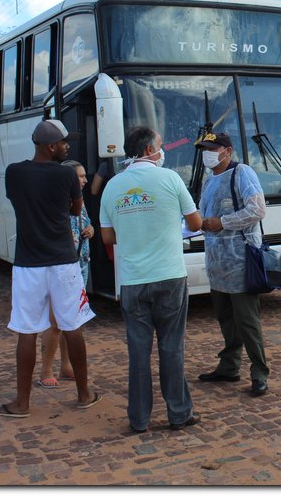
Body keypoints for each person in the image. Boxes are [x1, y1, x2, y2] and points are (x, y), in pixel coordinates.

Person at [100, 126, 203, 433]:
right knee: (172, 348)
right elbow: (195, 222)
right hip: (170, 275)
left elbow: (107, 236)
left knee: (138, 352)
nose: (162, 150)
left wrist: (134, 228)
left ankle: (139, 419)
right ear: (148, 150)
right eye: (160, 145)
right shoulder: (170, 178)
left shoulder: (112, 186)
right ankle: (178, 413)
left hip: (132, 280)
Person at [0, 119, 100, 418]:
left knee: (26, 331)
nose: (68, 146)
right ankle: (83, 394)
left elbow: (18, 202)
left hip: (28, 263)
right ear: (51, 146)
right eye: (65, 143)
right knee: (73, 326)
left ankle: (22, 403)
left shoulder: (14, 172)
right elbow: (77, 210)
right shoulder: (65, 174)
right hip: (64, 262)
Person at [195, 132, 270, 397]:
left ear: (227, 150)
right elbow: (204, 216)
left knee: (247, 321)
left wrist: (223, 222)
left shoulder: (242, 173)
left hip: (240, 258)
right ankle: (229, 366)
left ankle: (260, 372)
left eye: (212, 148)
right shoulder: (209, 181)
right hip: (217, 261)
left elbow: (257, 210)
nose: (207, 153)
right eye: (204, 149)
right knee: (226, 318)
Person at [37, 160, 94, 388]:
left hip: (81, 264)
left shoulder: (80, 200)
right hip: (60, 267)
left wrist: (91, 230)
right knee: (55, 323)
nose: (84, 180)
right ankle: (46, 368)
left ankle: (66, 365)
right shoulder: (53, 201)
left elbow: (85, 223)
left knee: (74, 321)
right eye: (80, 176)